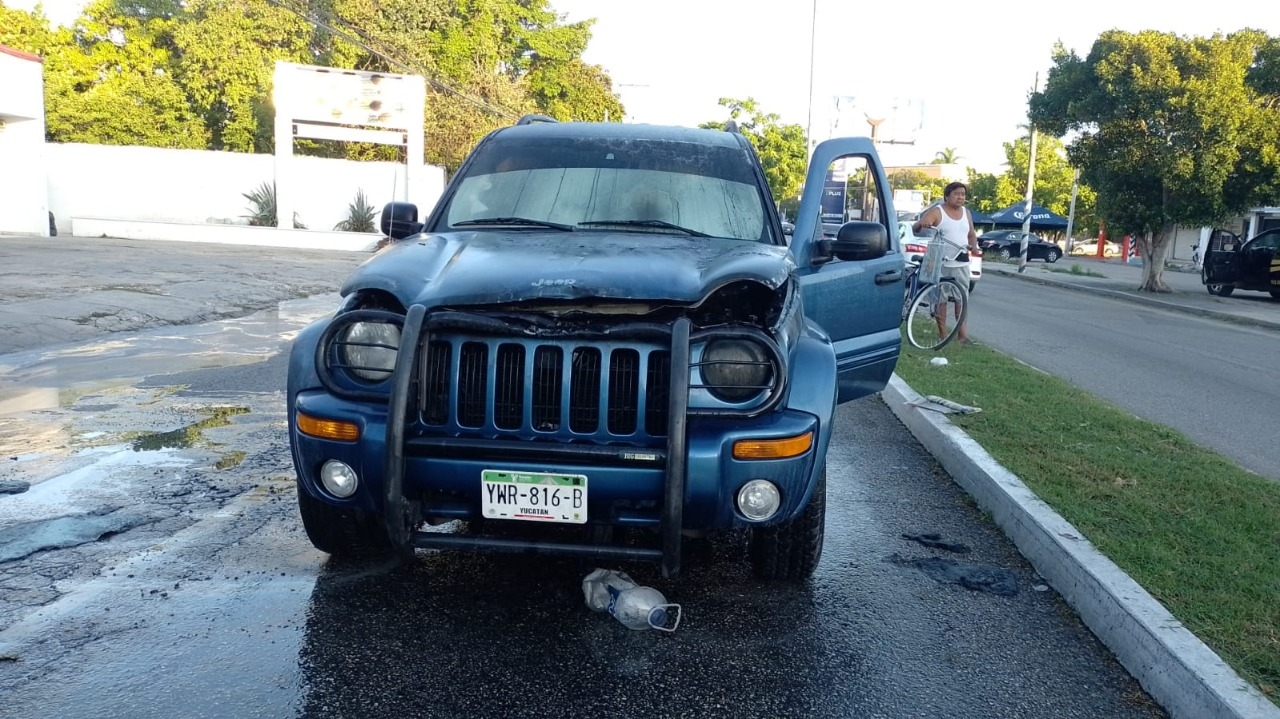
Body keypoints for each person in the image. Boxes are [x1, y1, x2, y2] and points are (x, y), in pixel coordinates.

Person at [912, 182, 980, 344]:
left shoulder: (966, 213)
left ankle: (962, 336)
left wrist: (974, 246)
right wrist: (923, 224)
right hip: (941, 262)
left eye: (963, 194)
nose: (960, 197)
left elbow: (971, 234)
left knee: (961, 299)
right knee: (940, 299)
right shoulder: (937, 211)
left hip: (961, 261)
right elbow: (917, 227)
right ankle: (942, 334)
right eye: (956, 194)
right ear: (947, 196)